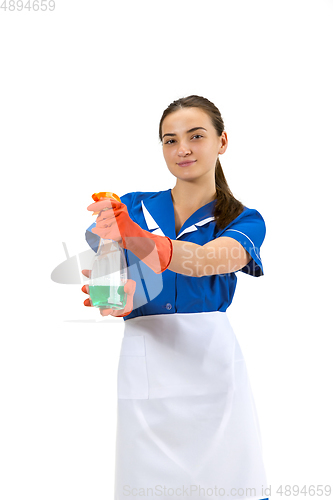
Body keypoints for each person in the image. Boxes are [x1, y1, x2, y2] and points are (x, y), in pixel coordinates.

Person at [82, 95, 269, 500]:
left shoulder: (242, 218)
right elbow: (107, 278)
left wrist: (139, 237)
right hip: (147, 361)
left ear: (221, 142)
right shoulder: (132, 207)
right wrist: (115, 298)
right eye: (169, 140)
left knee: (229, 483)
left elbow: (208, 261)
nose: (182, 149)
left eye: (195, 136)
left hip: (212, 370)